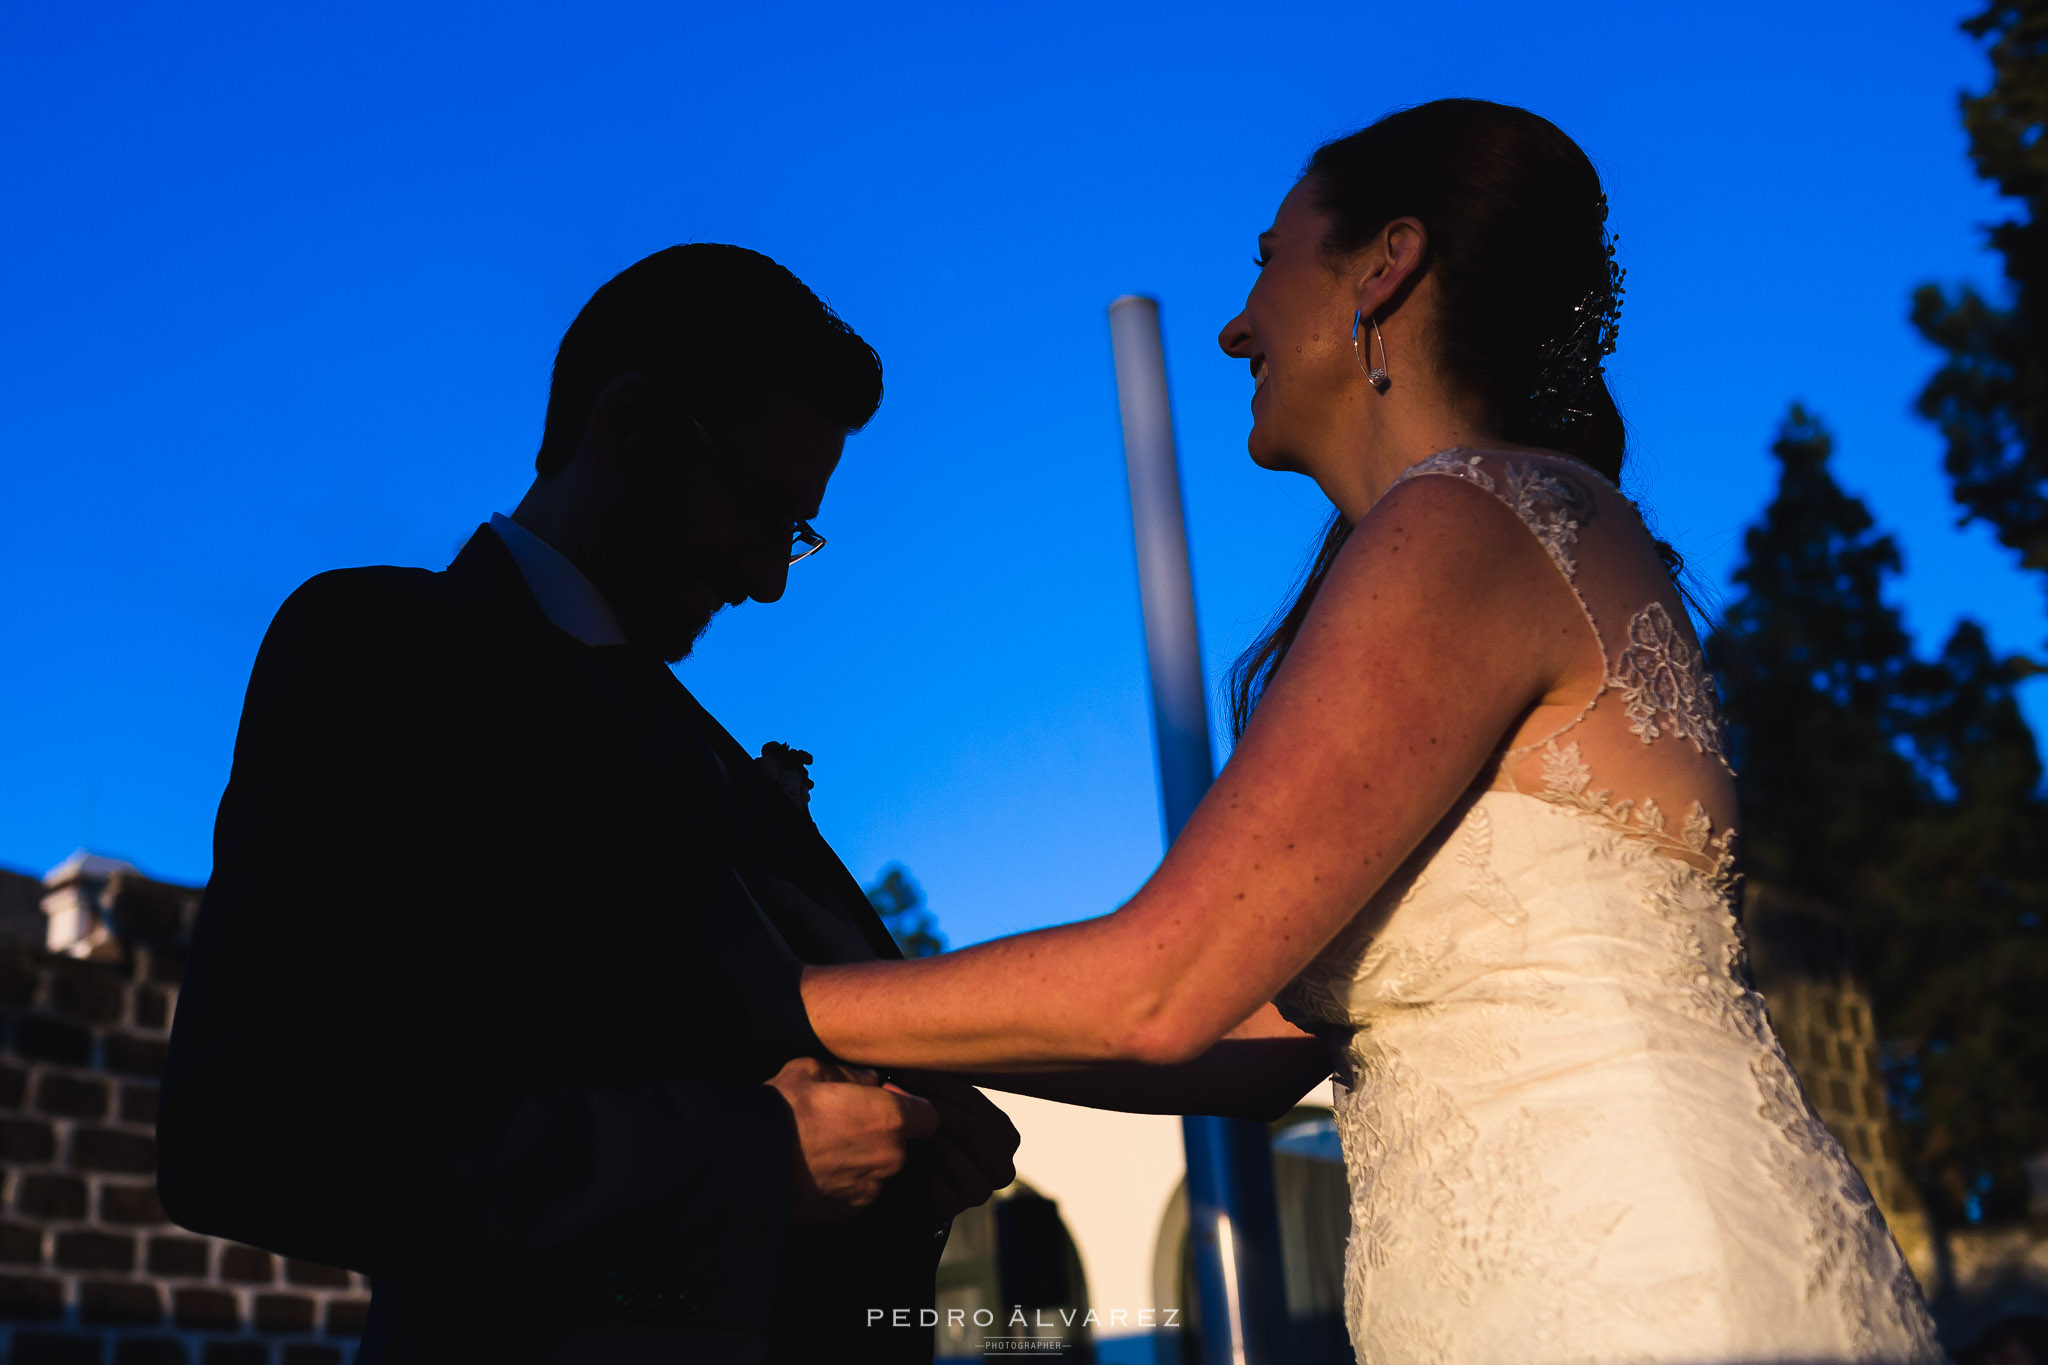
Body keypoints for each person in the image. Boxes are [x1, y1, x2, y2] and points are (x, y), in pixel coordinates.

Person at [793, 100, 1946, 1363]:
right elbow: (1250, 1042)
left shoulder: (1464, 522)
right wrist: (935, 1056)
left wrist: (762, 998)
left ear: (1383, 266)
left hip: (1631, 1287)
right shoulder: (1516, 524)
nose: (1237, 323)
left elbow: (1159, 984)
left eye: (1267, 257)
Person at [157, 243, 1018, 1365]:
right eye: (760, 508)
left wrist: (910, 1146)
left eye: (794, 531)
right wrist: (754, 1161)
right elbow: (255, 1131)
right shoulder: (393, 650)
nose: (768, 578)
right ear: (622, 426)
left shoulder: (691, 740)